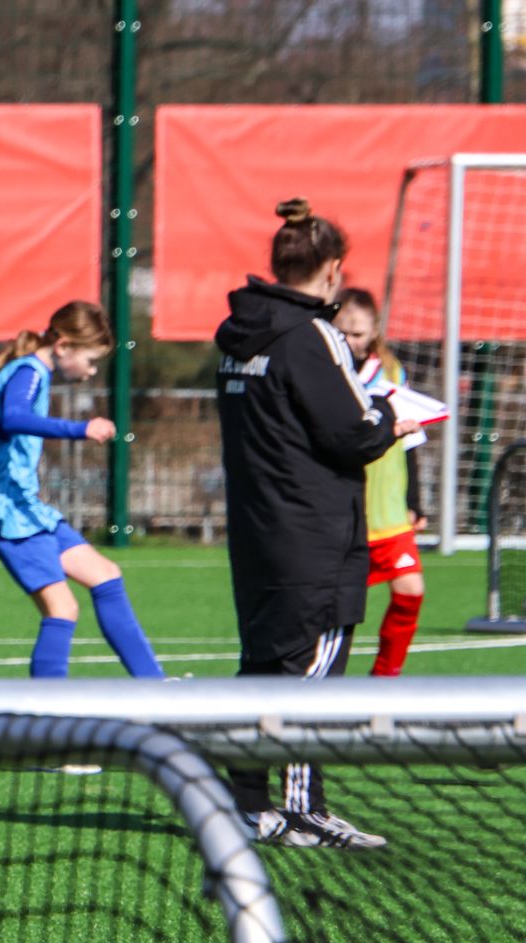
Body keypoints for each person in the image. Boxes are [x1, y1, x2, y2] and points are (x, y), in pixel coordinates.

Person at [214, 200, 420, 849]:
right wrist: (391, 422)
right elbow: (350, 434)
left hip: (259, 527)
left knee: (264, 663)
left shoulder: (240, 333)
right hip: (314, 533)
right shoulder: (312, 335)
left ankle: (247, 804)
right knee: (311, 670)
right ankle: (303, 811)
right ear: (332, 269)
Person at [0, 301, 163, 681]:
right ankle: (47, 707)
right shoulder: (28, 372)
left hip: (25, 507)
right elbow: (14, 419)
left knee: (106, 575)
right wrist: (80, 429)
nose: (91, 370)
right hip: (4, 512)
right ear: (63, 346)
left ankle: (156, 688)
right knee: (62, 609)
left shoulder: (27, 373)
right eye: (90, 360)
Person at [332, 286, 425, 677]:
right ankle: (322, 677)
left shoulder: (391, 372)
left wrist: (414, 501)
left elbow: (411, 442)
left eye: (358, 333)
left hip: (389, 512)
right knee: (337, 607)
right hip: (346, 512)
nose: (351, 340)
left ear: (373, 332)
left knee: (410, 592)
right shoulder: (327, 372)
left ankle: (385, 678)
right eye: (343, 332)